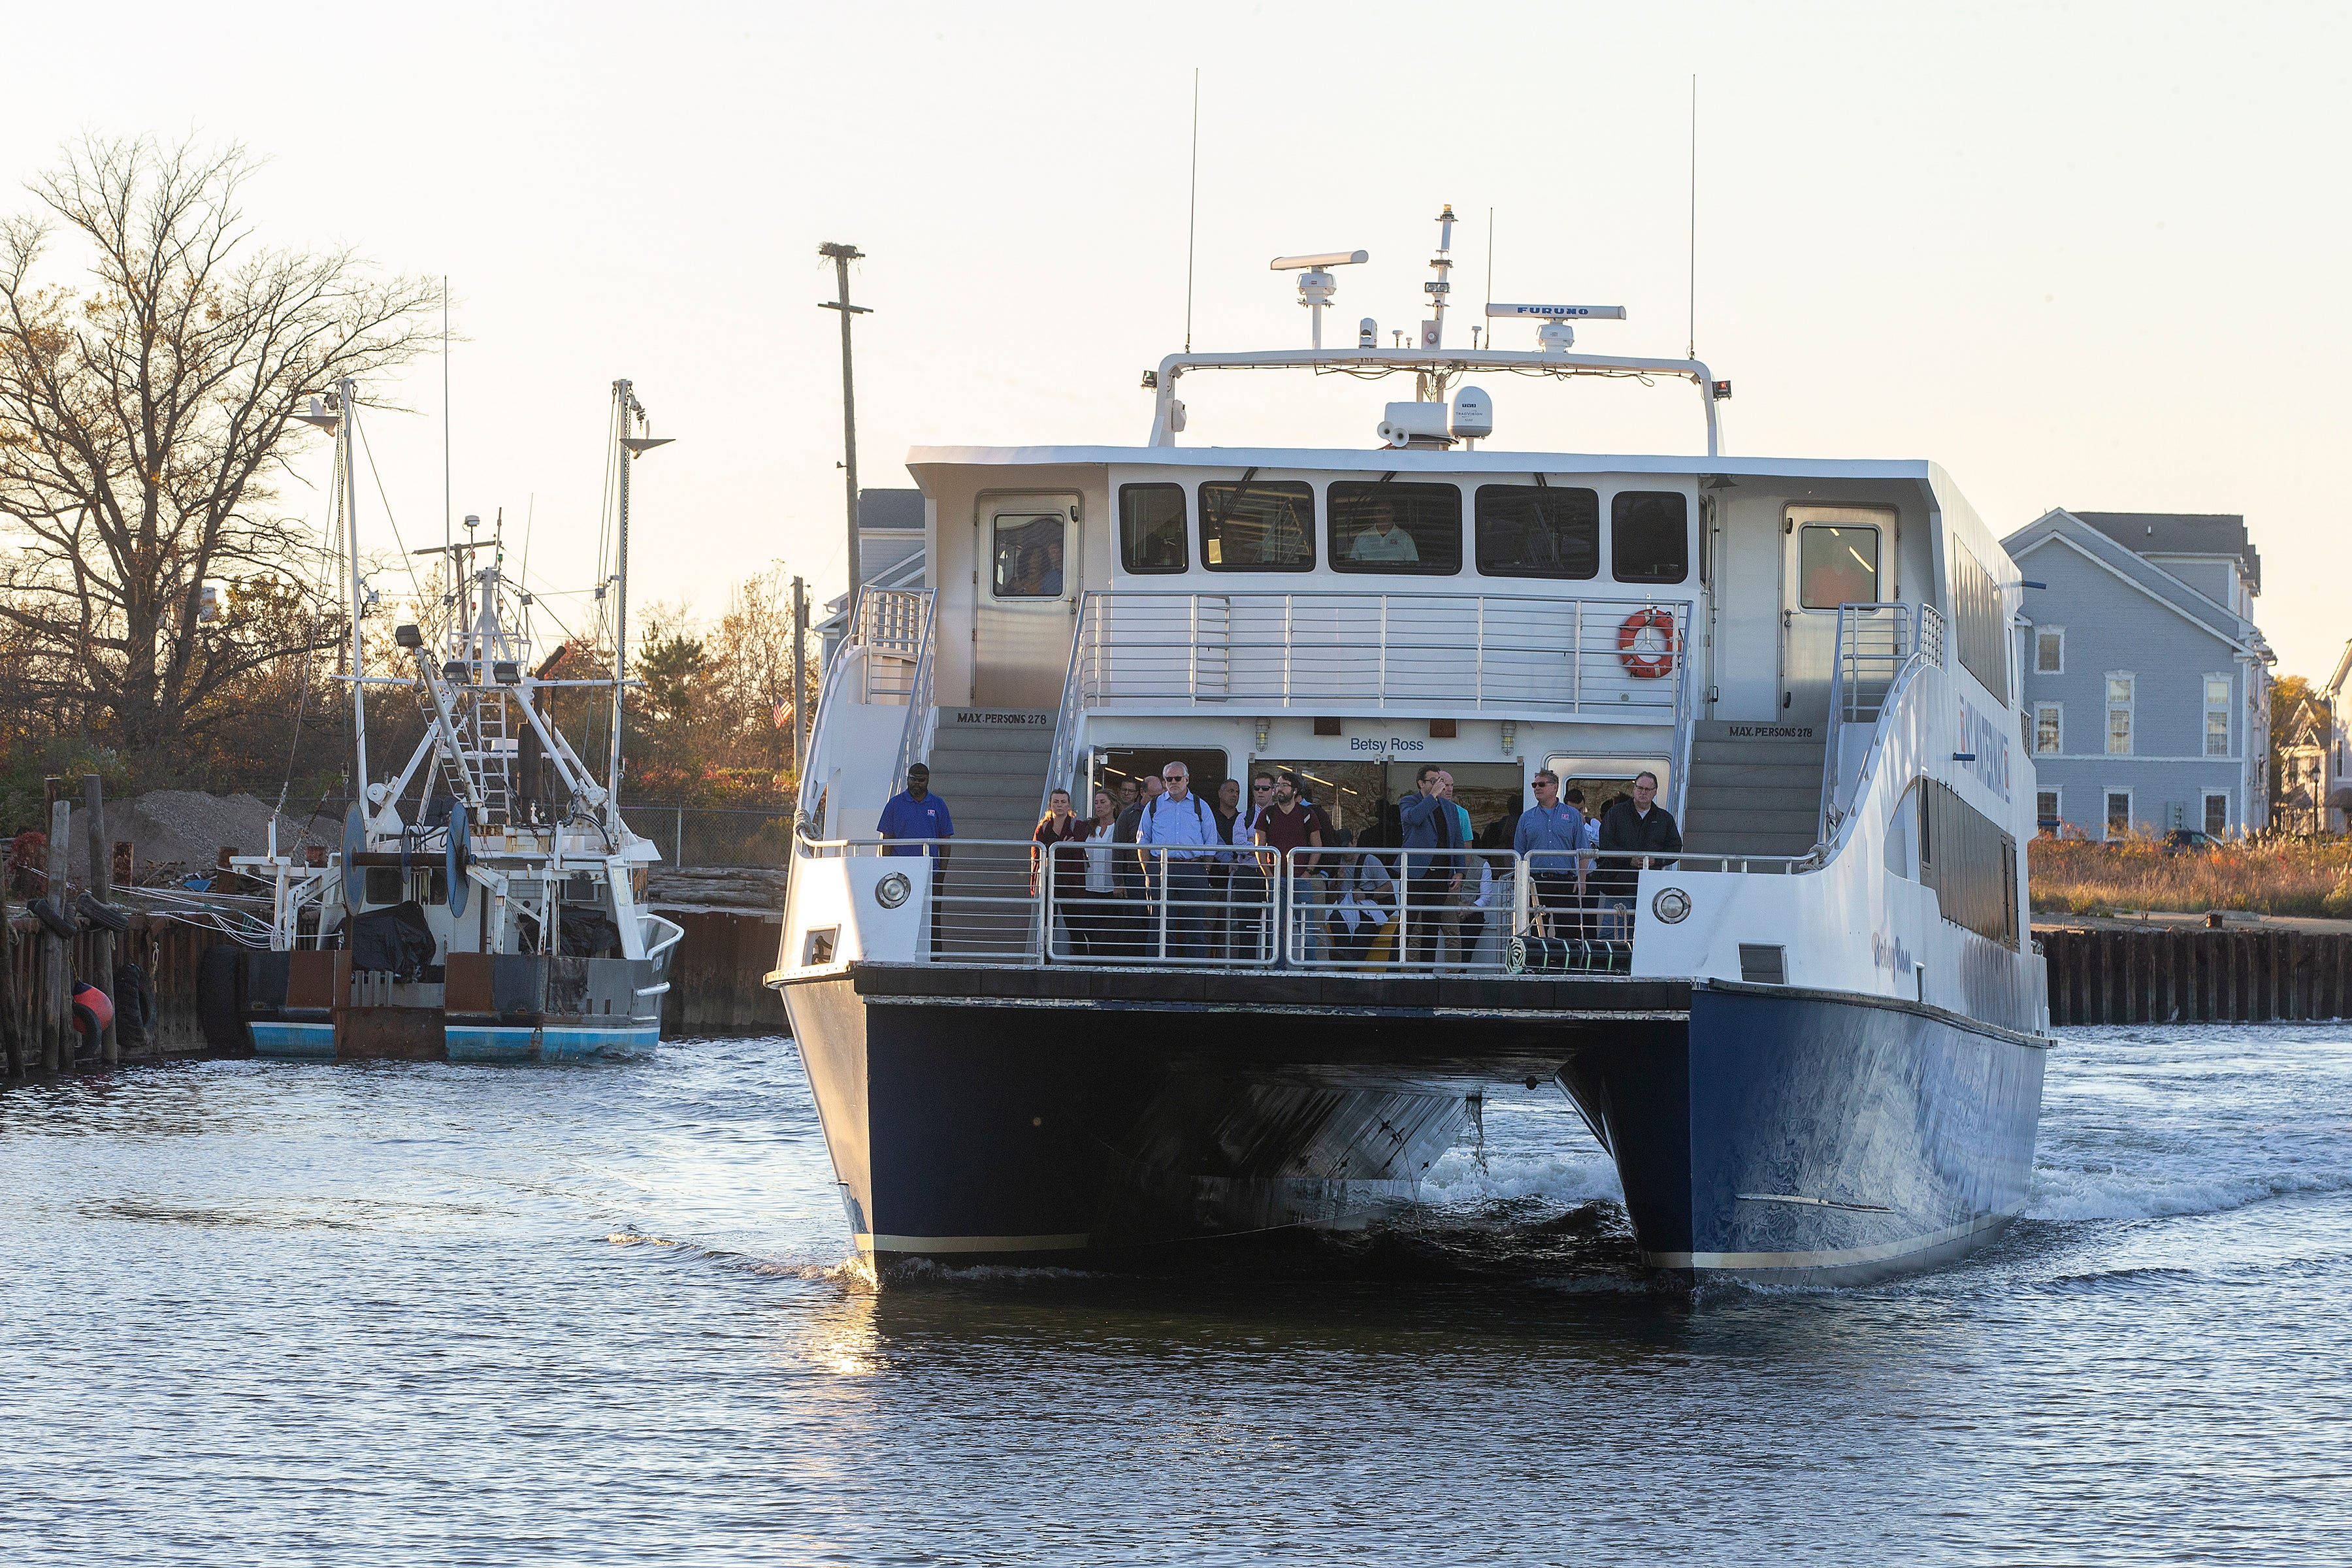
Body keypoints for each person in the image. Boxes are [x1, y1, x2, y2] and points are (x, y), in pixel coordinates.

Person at [1135, 760, 1218, 958]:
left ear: (1187, 780)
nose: (1173, 782)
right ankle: (1158, 971)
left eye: (1177, 778)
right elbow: (1143, 840)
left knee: (1195, 925)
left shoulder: (1201, 806)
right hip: (1161, 870)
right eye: (1169, 779)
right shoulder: (1154, 806)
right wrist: (1149, 872)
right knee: (1161, 925)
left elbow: (1211, 840)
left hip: (1193, 870)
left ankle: (1198, 973)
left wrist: (1203, 869)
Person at [877, 763, 955, 951]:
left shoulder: (938, 805)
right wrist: (888, 871)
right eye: (913, 779)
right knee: (900, 915)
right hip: (900, 875)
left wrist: (942, 872)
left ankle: (935, 957)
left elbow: (945, 840)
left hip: (930, 872)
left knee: (933, 916)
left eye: (921, 780)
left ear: (928, 780)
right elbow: (886, 840)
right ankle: (898, 951)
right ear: (907, 779)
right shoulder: (895, 805)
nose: (917, 784)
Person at [1595, 770, 1680, 937]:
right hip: (1618, 885)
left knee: (1647, 935)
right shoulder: (1615, 813)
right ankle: (1609, 963)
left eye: (1648, 789)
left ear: (1655, 792)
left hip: (1651, 887)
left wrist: (1656, 861)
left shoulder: (1665, 818)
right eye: (1640, 788)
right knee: (1610, 933)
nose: (1643, 792)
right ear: (1634, 789)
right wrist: (1629, 860)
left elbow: (1675, 847)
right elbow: (1605, 845)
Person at [1397, 764, 1463, 966]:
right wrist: (1432, 797)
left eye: (1440, 781)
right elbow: (1415, 818)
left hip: (1440, 875)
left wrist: (1459, 871)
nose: (1439, 785)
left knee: (1431, 925)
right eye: (1434, 781)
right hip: (1416, 873)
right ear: (1421, 783)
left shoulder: (1450, 808)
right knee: (1407, 924)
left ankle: (1427, 971)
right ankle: (1393, 968)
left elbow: (1458, 840)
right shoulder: (1408, 801)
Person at [1515, 771, 1587, 937]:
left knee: (1569, 933)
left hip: (1565, 882)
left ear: (1555, 787)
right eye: (1534, 785)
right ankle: (1534, 963)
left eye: (1541, 784)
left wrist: (1582, 879)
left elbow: (1583, 851)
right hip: (1535, 883)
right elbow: (1519, 854)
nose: (1537, 788)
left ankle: (1567, 964)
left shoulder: (1572, 815)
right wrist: (1520, 883)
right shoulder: (1526, 818)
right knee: (1534, 933)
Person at [1031, 788, 1090, 956]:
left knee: (1075, 926)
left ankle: (1082, 964)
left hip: (1071, 883)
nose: (1059, 805)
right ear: (1050, 804)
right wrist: (1061, 847)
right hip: (1049, 882)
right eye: (1056, 802)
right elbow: (1036, 854)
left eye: (1063, 802)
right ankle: (1045, 962)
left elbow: (1076, 849)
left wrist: (1052, 850)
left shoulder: (1077, 826)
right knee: (1047, 926)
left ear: (1069, 805)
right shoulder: (1043, 828)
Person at [1079, 787, 1122, 958]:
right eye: (1096, 802)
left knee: (1111, 930)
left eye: (1103, 802)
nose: (1098, 806)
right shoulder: (1087, 827)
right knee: (1090, 928)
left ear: (1113, 805)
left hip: (1113, 889)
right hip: (1090, 888)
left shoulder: (1119, 827)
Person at [1347, 499, 1420, 564]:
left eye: (1387, 511)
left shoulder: (1405, 538)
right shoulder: (1362, 537)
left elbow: (1413, 566)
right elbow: (1353, 565)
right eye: (1379, 511)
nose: (1383, 515)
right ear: (1374, 515)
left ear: (1393, 514)